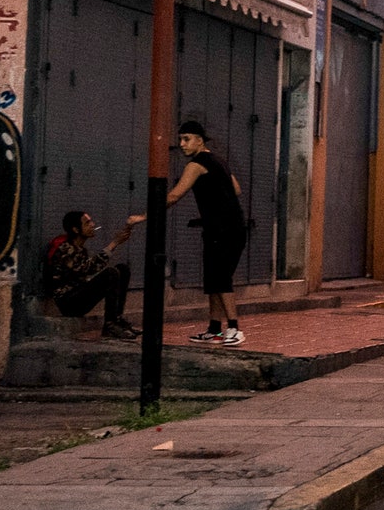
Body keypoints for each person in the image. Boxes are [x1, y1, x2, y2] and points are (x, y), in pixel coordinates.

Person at [130, 119, 247, 346]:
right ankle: (215, 329)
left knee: (220, 277)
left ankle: (234, 328)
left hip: (223, 230)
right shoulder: (219, 161)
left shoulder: (196, 164)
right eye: (180, 139)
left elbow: (174, 196)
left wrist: (145, 216)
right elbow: (236, 189)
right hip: (230, 228)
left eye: (187, 139)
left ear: (199, 140)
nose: (182, 144)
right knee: (214, 278)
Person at [43, 208, 137, 339]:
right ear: (76, 230)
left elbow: (89, 271)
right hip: (69, 302)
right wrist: (114, 243)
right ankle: (109, 325)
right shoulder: (65, 249)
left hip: (79, 295)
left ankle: (117, 319)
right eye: (87, 223)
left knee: (122, 269)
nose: (93, 225)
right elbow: (86, 269)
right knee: (111, 273)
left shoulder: (80, 249)